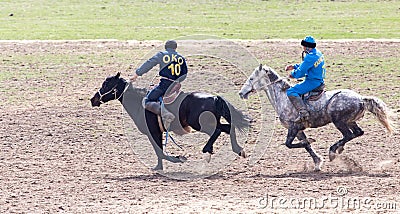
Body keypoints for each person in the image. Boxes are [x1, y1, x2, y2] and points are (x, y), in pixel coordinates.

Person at [130, 40, 188, 128]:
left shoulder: (162, 55)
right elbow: (184, 74)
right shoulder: (180, 58)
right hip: (175, 86)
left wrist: (137, 73)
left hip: (164, 85)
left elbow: (149, 63)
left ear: (165, 47)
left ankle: (166, 114)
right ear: (175, 48)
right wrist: (176, 82)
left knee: (147, 100)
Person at [285, 36, 326, 123]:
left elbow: (301, 71)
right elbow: (306, 64)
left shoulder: (310, 57)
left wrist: (293, 74)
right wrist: (294, 66)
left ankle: (303, 113)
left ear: (307, 46)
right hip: (318, 80)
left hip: (312, 82)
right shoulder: (317, 53)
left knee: (291, 91)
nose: (303, 48)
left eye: (303, 46)